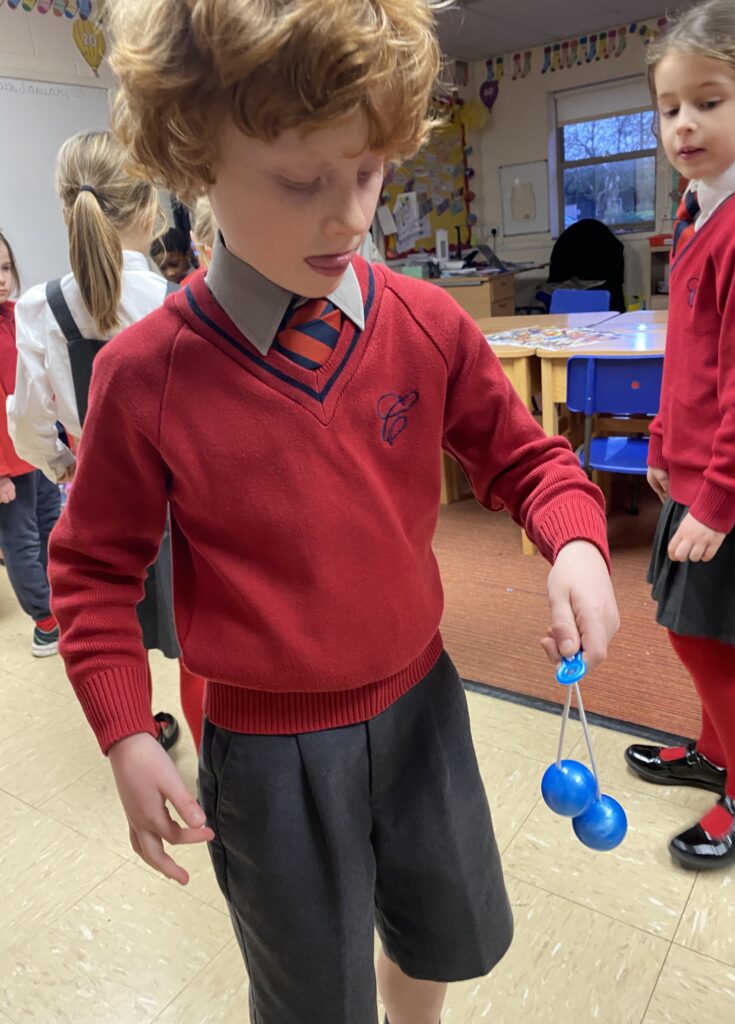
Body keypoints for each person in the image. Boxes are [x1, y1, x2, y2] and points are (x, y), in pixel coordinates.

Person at [47, 2, 619, 1022]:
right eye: (303, 180)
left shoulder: (427, 323)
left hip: (423, 708)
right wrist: (128, 729)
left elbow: (527, 459)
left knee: (443, 930)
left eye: (368, 171)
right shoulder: (146, 374)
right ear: (197, 160)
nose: (352, 216)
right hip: (266, 753)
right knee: (310, 991)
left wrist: (574, 536)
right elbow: (93, 567)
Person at [624, 0, 735, 869]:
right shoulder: (702, 203)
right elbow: (696, 353)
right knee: (693, 632)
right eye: (671, 106)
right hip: (694, 468)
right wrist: (661, 444)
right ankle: (717, 755)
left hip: (731, 486)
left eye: (708, 102)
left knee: (701, 640)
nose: (684, 124)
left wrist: (712, 497)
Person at [7, 130, 207, 750]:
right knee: (199, 636)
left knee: (113, 628)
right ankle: (211, 747)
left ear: (67, 210)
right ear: (149, 211)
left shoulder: (39, 309)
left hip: (98, 502)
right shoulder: (181, 301)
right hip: (184, 508)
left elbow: (29, 423)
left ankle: (138, 731)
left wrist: (63, 462)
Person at [0, 230, 61, 656]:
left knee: (51, 530)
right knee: (20, 543)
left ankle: (60, 604)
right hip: (7, 464)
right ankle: (45, 623)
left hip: (35, 450)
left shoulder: (16, 315)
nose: (2, 278)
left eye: (5, 267)